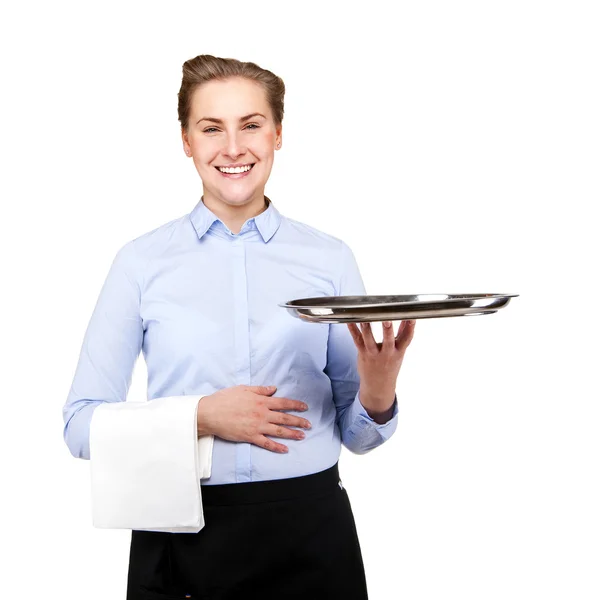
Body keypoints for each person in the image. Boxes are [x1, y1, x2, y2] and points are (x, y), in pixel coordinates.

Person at [62, 54, 416, 599]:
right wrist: (200, 417)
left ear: (277, 134)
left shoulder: (330, 259)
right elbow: (81, 428)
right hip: (182, 540)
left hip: (312, 538)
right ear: (185, 140)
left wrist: (379, 390)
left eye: (251, 125)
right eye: (211, 128)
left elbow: (358, 436)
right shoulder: (140, 264)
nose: (233, 148)